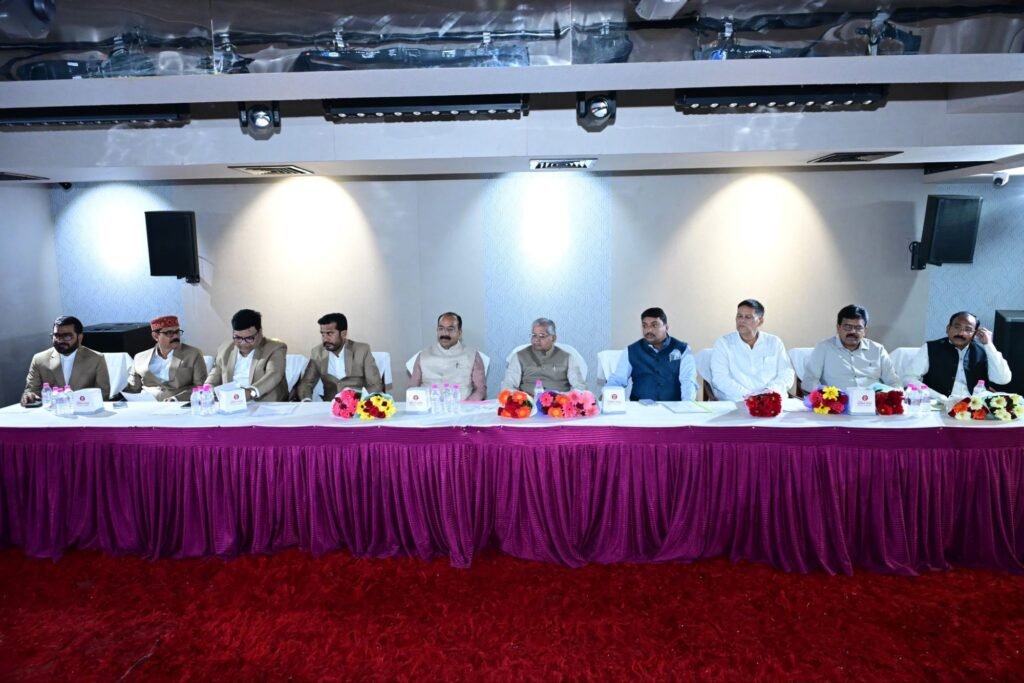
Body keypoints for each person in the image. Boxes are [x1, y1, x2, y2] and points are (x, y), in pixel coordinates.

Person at [902, 311, 1012, 399]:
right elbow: (908, 378)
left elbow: (1003, 380)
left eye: (968, 329)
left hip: (975, 406)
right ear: (948, 329)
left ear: (974, 334)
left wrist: (989, 345)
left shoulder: (984, 351)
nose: (961, 333)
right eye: (956, 327)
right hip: (939, 405)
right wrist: (939, 397)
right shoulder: (930, 348)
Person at [709, 299, 795, 401]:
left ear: (760, 321)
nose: (742, 320)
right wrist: (749, 396)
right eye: (739, 316)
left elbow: (786, 374)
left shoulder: (774, 342)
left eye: (748, 317)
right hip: (737, 401)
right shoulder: (723, 343)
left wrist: (769, 392)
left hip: (770, 400)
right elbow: (720, 378)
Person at [802, 304, 900, 392]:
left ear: (865, 330)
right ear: (838, 328)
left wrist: (887, 396)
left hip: (873, 403)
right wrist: (829, 395)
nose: (852, 331)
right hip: (837, 403)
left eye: (858, 328)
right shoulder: (824, 348)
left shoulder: (878, 350)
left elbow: (894, 383)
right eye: (847, 327)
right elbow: (809, 381)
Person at [606, 307, 698, 401]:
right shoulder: (631, 350)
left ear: (666, 327)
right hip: (639, 407)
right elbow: (618, 380)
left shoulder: (683, 349)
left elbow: (688, 381)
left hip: (673, 407)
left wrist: (687, 405)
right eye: (644, 325)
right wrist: (607, 395)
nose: (648, 330)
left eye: (654, 325)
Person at [21, 315, 111, 406]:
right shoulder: (39, 359)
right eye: (56, 336)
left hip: (85, 410)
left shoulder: (96, 359)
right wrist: (29, 396)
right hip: (52, 411)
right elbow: (31, 391)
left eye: (67, 336)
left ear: (80, 337)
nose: (60, 340)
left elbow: (103, 395)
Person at [205, 308, 288, 402]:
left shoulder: (275, 348)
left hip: (264, 404)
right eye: (238, 338)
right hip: (232, 403)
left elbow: (274, 373)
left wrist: (251, 392)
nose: (243, 343)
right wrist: (209, 388)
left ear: (260, 332)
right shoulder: (224, 349)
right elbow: (214, 376)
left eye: (249, 338)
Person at [296, 312, 383, 400]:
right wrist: (306, 401)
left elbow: (375, 385)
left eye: (329, 334)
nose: (325, 339)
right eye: (322, 334)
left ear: (343, 334)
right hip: (329, 405)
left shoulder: (362, 350)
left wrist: (358, 401)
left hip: (357, 403)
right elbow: (306, 384)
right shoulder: (317, 352)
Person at [123, 315, 207, 402]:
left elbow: (201, 386)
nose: (175, 336)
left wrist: (177, 399)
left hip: (178, 405)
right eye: (169, 333)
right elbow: (133, 389)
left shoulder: (193, 354)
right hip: (147, 405)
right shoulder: (140, 358)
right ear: (156, 336)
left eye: (177, 332)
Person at [410, 312, 486, 400]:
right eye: (441, 328)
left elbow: (480, 390)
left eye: (450, 329)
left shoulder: (472, 355)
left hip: (461, 406)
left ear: (460, 332)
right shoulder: (423, 355)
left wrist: (466, 406)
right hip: (429, 406)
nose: (445, 333)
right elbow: (413, 388)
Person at [501, 318, 586, 393]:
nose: (536, 340)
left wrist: (562, 398)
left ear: (553, 338)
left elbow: (580, 387)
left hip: (559, 403)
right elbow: (508, 386)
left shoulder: (567, 358)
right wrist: (523, 398)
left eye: (542, 336)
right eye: (534, 335)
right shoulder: (519, 356)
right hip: (526, 403)